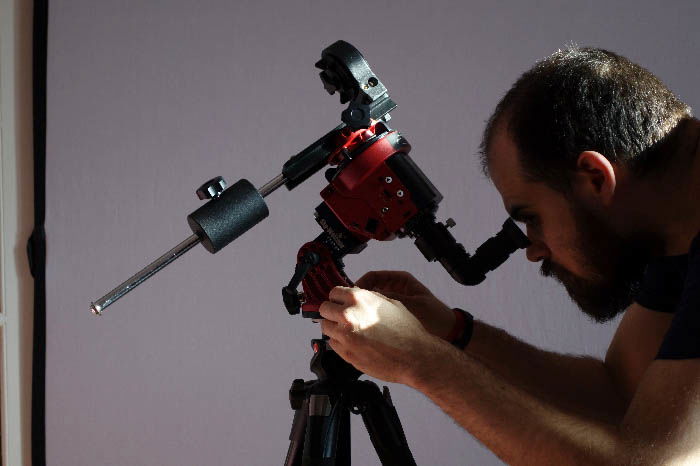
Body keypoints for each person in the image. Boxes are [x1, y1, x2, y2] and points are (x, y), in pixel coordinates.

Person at [318, 47, 700, 465]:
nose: (533, 251)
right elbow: (621, 394)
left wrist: (421, 361)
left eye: (530, 217)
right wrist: (453, 332)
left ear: (594, 178)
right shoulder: (677, 228)